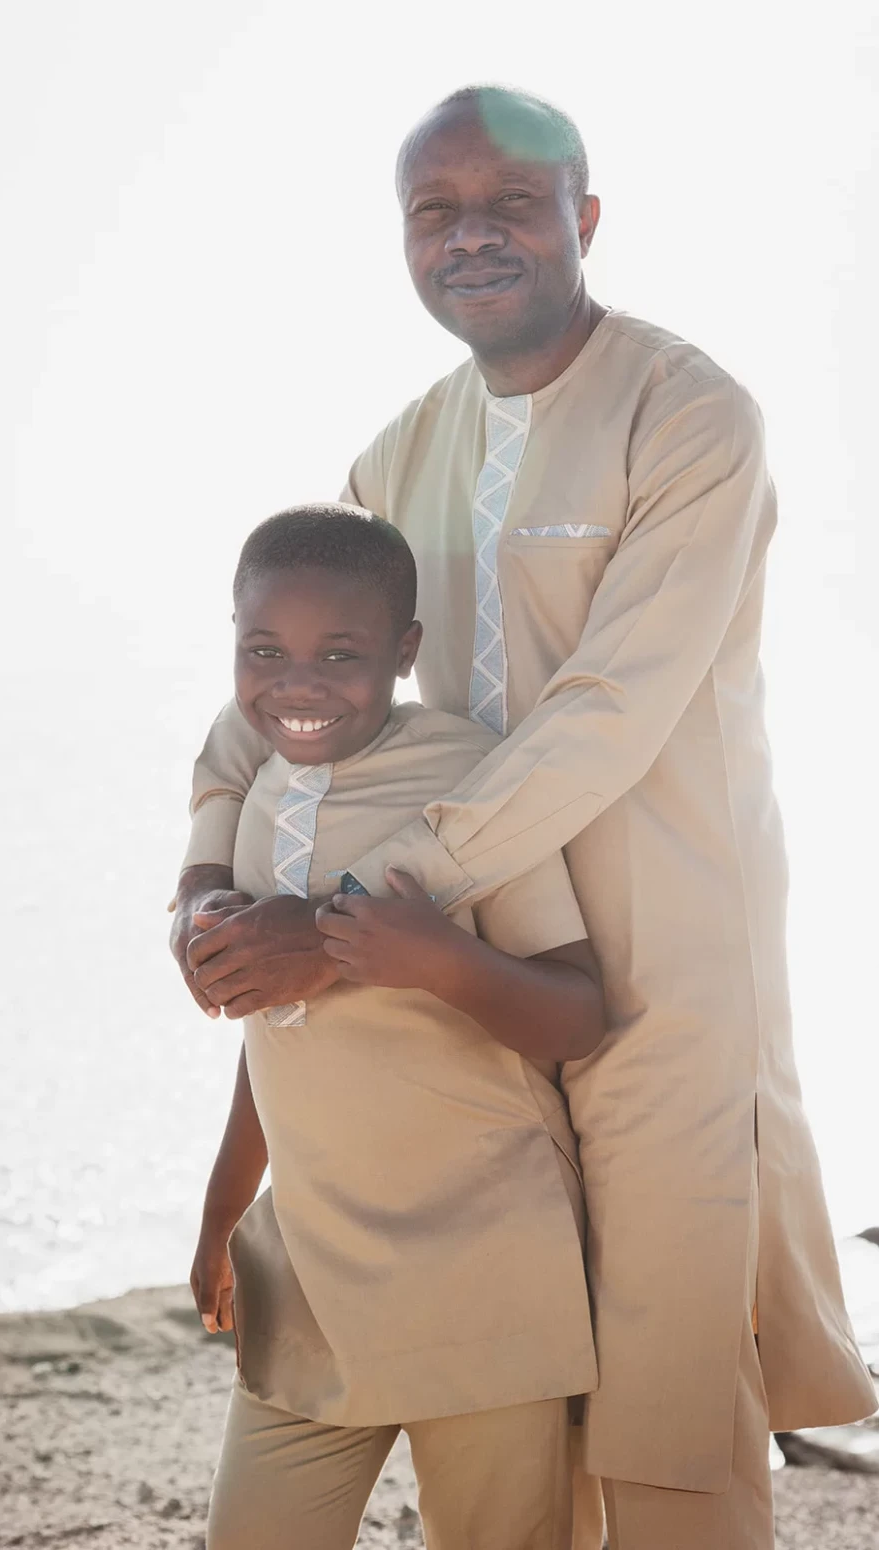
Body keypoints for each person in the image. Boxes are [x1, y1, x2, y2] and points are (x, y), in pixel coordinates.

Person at [171, 87, 875, 1549]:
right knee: (526, 1413)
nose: (472, 238)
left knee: (674, 1412)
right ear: (404, 239)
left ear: (584, 221)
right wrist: (211, 893)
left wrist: (355, 916)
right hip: (445, 987)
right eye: (438, 212)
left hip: (659, 980)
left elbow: (607, 710)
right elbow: (295, 715)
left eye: (511, 206)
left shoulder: (691, 417)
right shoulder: (390, 460)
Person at [194, 503, 605, 1550]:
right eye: (265, 650)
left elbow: (578, 1009)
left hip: (489, 1275)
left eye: (342, 652)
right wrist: (223, 1210)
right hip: (315, 1275)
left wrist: (444, 960)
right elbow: (276, 1029)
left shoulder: (469, 775)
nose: (299, 682)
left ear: (404, 650)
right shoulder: (258, 792)